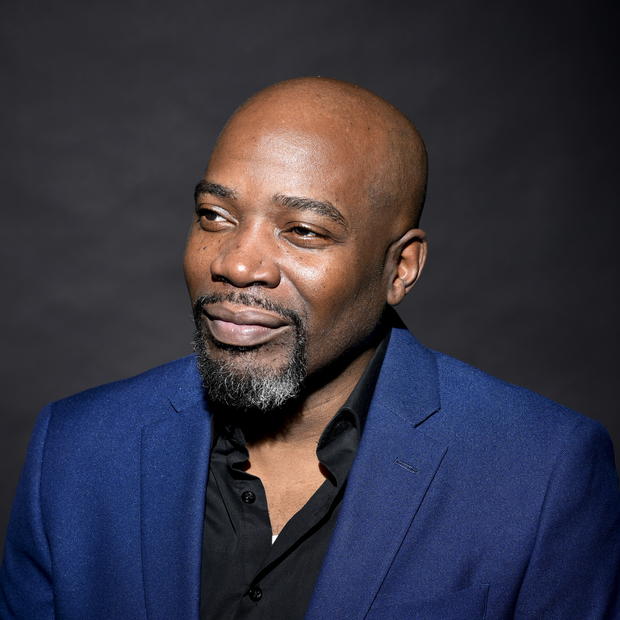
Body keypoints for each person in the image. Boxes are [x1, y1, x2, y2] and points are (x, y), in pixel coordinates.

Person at [1, 77, 618, 620]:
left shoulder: (542, 473)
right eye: (214, 215)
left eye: (303, 231)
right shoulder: (76, 449)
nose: (237, 262)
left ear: (400, 268)